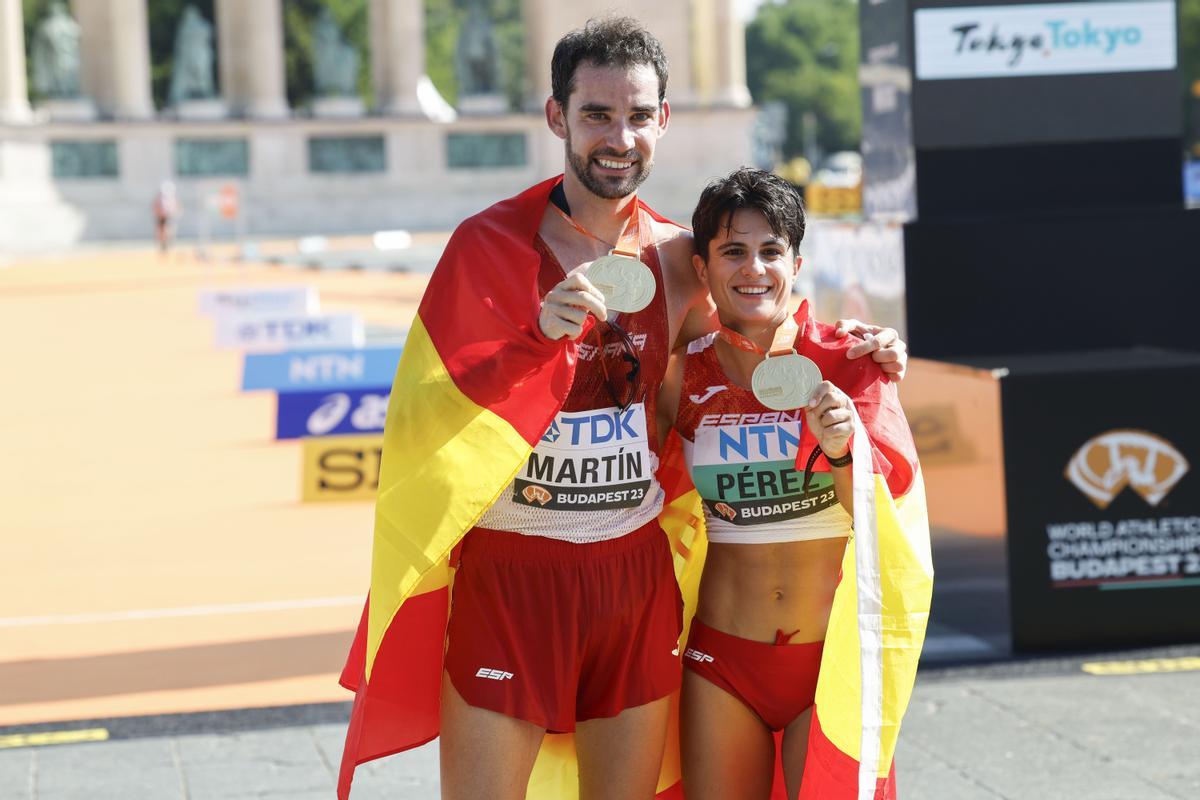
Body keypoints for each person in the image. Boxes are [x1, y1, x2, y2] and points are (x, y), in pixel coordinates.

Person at [337, 18, 909, 800]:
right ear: (557, 117)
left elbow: (765, 332)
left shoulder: (681, 259)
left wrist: (858, 346)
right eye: (597, 114)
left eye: (638, 116)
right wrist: (535, 341)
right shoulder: (488, 247)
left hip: (630, 579)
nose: (619, 137)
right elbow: (429, 412)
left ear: (662, 122)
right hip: (512, 574)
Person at [658, 168, 925, 799]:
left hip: (828, 660)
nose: (754, 268)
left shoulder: (850, 363)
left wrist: (841, 451)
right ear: (703, 270)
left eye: (771, 251)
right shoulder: (680, 377)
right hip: (720, 661)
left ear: (796, 263)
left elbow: (890, 519)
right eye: (733, 251)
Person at [153, 182, 180, 255]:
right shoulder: (160, 198)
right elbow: (156, 206)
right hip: (162, 216)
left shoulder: (171, 198)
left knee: (168, 230)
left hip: (169, 216)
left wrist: (175, 212)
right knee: (162, 231)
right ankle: (163, 245)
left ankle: (168, 243)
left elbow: (176, 206)